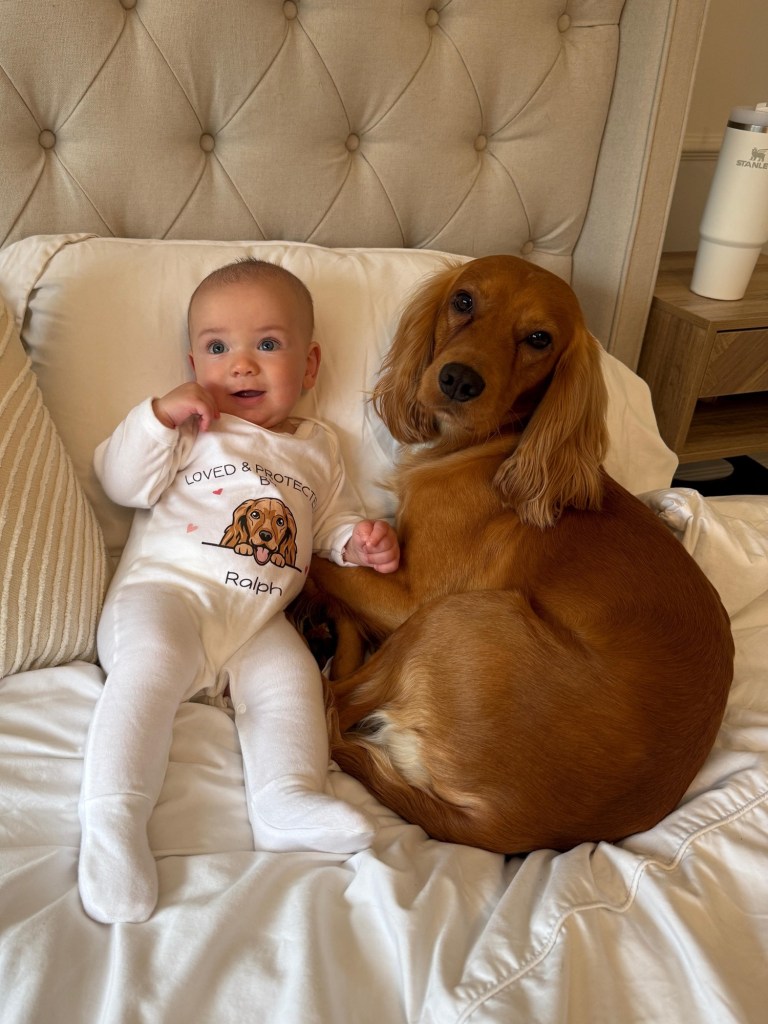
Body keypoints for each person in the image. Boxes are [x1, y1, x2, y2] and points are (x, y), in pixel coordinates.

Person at [78, 258, 400, 924]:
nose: (242, 365)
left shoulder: (320, 449)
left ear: (309, 367)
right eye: (218, 347)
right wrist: (159, 417)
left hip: (257, 616)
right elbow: (120, 480)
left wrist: (358, 542)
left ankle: (284, 798)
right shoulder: (191, 426)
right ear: (193, 362)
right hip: (166, 592)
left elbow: (327, 526)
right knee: (152, 666)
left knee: (291, 683)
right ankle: (112, 821)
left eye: (268, 344)